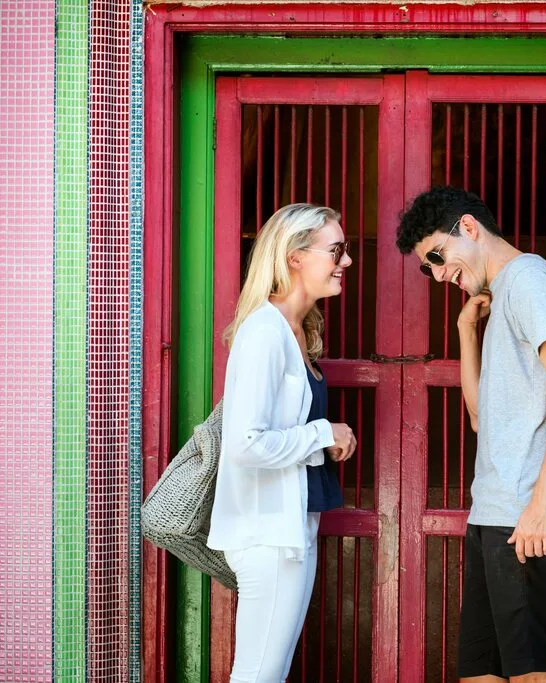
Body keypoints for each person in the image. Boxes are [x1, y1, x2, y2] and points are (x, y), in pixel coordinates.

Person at [396, 187, 546, 683]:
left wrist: (542, 503)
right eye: (429, 268)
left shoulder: (529, 280)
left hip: (528, 517)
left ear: (468, 227)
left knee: (535, 677)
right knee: (480, 674)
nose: (440, 275)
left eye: (437, 257)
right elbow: (482, 418)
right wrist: (467, 332)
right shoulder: (503, 293)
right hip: (494, 515)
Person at [208, 203, 357, 683]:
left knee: (268, 671)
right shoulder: (264, 333)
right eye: (336, 250)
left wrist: (321, 442)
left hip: (290, 528)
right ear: (294, 256)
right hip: (268, 535)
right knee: (258, 674)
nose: (346, 262)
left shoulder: (296, 332)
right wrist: (322, 433)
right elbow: (246, 443)